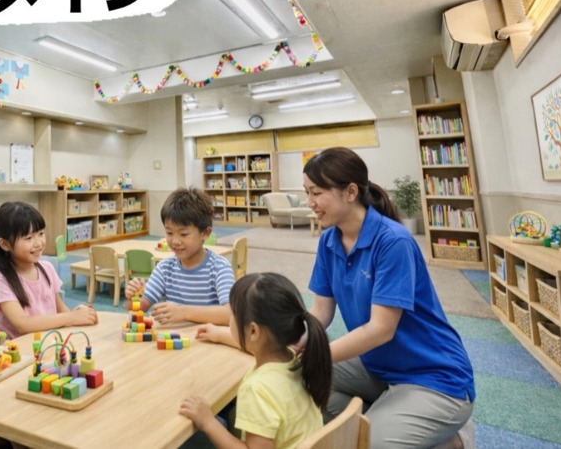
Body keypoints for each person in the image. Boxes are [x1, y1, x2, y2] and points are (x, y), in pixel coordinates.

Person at [304, 147, 475, 448]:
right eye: (307, 193)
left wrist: (316, 355)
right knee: (301, 379)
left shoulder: (393, 241)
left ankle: (451, 438)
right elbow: (321, 311)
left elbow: (380, 329)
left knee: (367, 444)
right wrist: (289, 342)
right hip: (379, 367)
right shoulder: (329, 240)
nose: (310, 203)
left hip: (432, 376)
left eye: (317, 193)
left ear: (351, 192)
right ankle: (396, 419)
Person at [179, 272, 330, 449]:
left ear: (253, 331)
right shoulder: (292, 359)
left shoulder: (257, 390)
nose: (230, 319)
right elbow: (255, 346)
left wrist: (208, 422)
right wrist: (219, 335)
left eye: (233, 314)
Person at [125, 187, 233, 325]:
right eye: (169, 233)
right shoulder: (165, 268)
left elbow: (230, 314)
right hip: (175, 335)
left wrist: (183, 312)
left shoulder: (219, 267)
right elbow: (140, 307)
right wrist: (133, 296)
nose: (175, 241)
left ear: (205, 233)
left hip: (206, 336)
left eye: (183, 234)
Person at [0, 201, 98, 336]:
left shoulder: (47, 268)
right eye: (29, 238)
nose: (38, 243)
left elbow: (61, 310)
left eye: (41, 234)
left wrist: (77, 314)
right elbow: (22, 324)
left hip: (51, 341)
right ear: (5, 244)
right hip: (23, 347)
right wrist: (71, 317)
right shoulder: (1, 281)